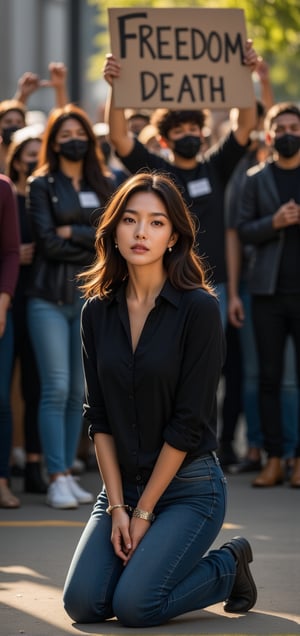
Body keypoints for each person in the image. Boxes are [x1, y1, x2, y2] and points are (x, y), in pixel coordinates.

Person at [63, 172, 257, 627]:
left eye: (156, 222)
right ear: (114, 230)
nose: (141, 232)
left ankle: (227, 567)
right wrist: (117, 508)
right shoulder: (96, 310)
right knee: (84, 604)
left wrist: (144, 511)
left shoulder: (200, 309)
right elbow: (99, 417)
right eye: (130, 220)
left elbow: (189, 424)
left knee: (135, 606)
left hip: (189, 488)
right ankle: (141, 564)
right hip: (121, 486)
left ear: (173, 237)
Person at [103, 40, 258, 326]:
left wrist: (244, 75)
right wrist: (115, 86)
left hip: (214, 284)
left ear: (202, 134)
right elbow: (119, 138)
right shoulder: (156, 171)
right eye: (178, 130)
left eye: (193, 129)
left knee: (208, 365)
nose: (188, 135)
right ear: (164, 139)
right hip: (165, 283)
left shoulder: (216, 166)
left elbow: (245, 125)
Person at [26, 103, 115, 508]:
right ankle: (56, 474)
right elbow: (49, 242)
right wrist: (87, 235)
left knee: (78, 391)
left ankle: (66, 474)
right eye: (65, 136)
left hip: (90, 298)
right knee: (56, 386)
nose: (74, 141)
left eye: (80, 135)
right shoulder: (41, 183)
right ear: (53, 142)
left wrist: (74, 230)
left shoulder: (104, 182)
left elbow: (109, 236)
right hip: (48, 297)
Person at [237, 102, 300, 487]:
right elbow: (243, 229)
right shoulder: (255, 178)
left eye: (295, 126)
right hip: (267, 293)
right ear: (269, 133)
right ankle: (274, 458)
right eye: (282, 127)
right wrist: (273, 222)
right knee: (269, 378)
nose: (288, 132)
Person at [5, 126, 48, 494]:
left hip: (37, 295)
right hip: (8, 299)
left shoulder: (42, 196)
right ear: (15, 158)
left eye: (40, 152)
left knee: (37, 385)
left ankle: (35, 463)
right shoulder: (7, 196)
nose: (33, 159)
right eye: (28, 153)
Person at [0, 171, 20, 508]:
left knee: (0, 400)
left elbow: (11, 252)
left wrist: (2, 304)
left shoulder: (3, 187)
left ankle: (1, 481)